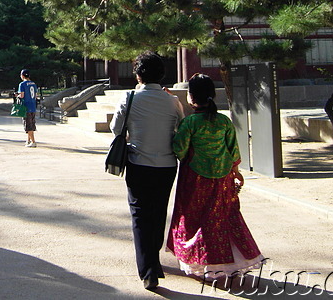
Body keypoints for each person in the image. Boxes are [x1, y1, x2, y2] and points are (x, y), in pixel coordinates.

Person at [166, 73, 264, 281]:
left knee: (196, 218)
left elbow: (180, 150)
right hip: (222, 178)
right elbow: (234, 151)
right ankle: (228, 262)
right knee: (221, 217)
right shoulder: (224, 121)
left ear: (191, 97)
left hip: (195, 178)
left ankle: (201, 262)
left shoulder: (190, 123)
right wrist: (235, 172)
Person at [110, 52, 185, 291]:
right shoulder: (172, 101)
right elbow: (180, 128)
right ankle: (154, 260)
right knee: (158, 212)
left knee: (140, 215)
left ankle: (148, 270)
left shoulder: (129, 97)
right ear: (162, 75)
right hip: (166, 165)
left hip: (138, 162)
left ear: (138, 74)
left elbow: (116, 129)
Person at [18, 69, 38, 147]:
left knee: (28, 125)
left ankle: (33, 141)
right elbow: (36, 96)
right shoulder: (33, 84)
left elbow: (22, 95)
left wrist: (18, 96)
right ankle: (28, 140)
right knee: (32, 123)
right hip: (33, 105)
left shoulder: (22, 84)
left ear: (22, 76)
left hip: (26, 106)